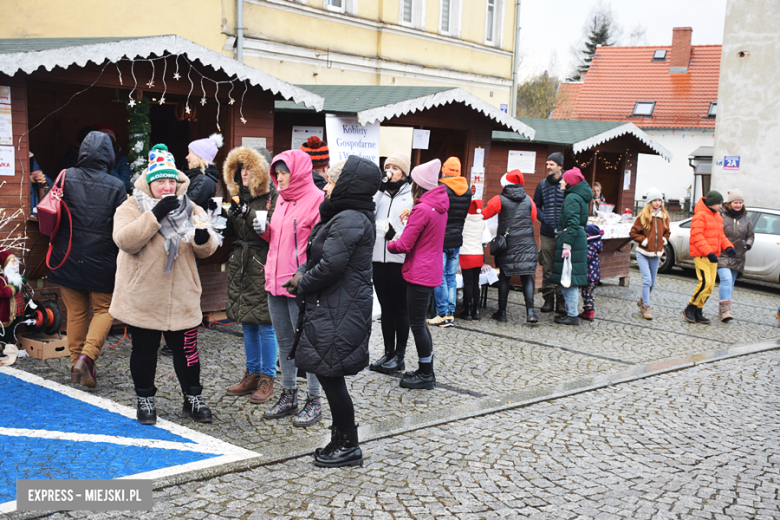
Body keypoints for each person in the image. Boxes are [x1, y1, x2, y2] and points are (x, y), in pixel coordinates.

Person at [110, 144, 220, 425]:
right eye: (161, 182)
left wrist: (201, 238)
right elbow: (125, 240)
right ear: (150, 183)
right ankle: (145, 399)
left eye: (172, 181)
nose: (168, 186)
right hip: (143, 295)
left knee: (187, 352)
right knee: (144, 351)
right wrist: (155, 214)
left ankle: (192, 398)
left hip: (182, 295)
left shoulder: (191, 207)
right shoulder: (131, 206)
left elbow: (207, 249)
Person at [284, 155, 380, 468]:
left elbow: (330, 265)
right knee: (328, 373)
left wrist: (301, 282)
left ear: (347, 184)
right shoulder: (345, 215)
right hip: (334, 304)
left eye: (332, 181)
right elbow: (322, 258)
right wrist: (301, 274)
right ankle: (341, 439)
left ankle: (349, 445)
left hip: (340, 307)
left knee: (330, 375)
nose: (326, 187)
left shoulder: (350, 217)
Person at [47, 131, 127, 388]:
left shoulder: (65, 176)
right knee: (104, 310)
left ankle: (75, 365)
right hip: (102, 259)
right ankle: (87, 357)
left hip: (66, 255)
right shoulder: (117, 186)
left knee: (76, 312)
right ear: (109, 155)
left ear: (82, 152)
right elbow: (122, 226)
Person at [255, 149, 324, 427]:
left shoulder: (317, 200)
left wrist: (304, 277)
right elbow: (278, 238)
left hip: (299, 285)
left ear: (297, 173)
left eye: (283, 173)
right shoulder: (279, 200)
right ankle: (289, 395)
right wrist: (263, 229)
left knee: (307, 345)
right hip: (274, 280)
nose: (279, 178)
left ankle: (314, 399)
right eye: (277, 173)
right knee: (284, 343)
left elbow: (318, 246)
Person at [222, 146, 279, 403]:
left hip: (262, 262)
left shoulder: (273, 196)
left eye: (249, 168)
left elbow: (276, 231)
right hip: (241, 264)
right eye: (240, 168)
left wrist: (254, 217)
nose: (244, 173)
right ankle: (252, 373)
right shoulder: (238, 196)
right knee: (247, 323)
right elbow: (234, 231)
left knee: (266, 324)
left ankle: (268, 378)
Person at [387, 159, 449, 390]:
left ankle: (426, 375)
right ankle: (425, 369)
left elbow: (404, 244)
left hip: (419, 273)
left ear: (418, 184)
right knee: (420, 324)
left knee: (417, 325)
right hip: (430, 269)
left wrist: (390, 243)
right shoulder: (438, 205)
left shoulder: (422, 209)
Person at [369, 152, 413, 374]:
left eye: (395, 168)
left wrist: (394, 234)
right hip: (379, 259)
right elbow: (369, 214)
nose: (391, 171)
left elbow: (412, 229)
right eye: (388, 167)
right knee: (386, 308)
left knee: (400, 309)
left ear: (404, 172)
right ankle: (387, 352)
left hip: (399, 260)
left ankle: (400, 355)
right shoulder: (380, 194)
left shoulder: (410, 196)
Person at [481, 170, 539, 323]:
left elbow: (484, 215)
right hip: (527, 245)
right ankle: (531, 313)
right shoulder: (528, 200)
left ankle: (502, 313)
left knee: (505, 277)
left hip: (508, 245)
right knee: (527, 277)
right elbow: (533, 218)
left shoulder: (499, 199)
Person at [428, 157, 471, 328]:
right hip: (457, 239)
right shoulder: (467, 191)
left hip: (441, 239)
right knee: (451, 277)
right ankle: (450, 313)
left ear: (444, 171)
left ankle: (443, 314)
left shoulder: (441, 189)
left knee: (440, 278)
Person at [682, 190, 737, 324]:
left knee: (710, 286)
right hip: (702, 255)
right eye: (719, 203)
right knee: (705, 282)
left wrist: (729, 247)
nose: (721, 206)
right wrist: (708, 252)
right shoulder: (700, 216)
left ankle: (698, 310)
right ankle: (690, 307)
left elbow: (721, 236)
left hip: (713, 255)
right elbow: (697, 236)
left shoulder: (717, 216)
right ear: (712, 203)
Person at [550, 167, 591, 326]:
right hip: (577, 240)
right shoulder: (578, 197)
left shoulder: (572, 198)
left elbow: (573, 224)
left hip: (572, 242)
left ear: (570, 182)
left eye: (563, 179)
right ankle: (570, 312)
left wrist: (566, 244)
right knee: (568, 278)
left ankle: (572, 315)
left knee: (569, 279)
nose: (561, 181)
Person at [629, 188, 671, 320]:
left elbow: (667, 232)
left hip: (657, 253)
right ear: (650, 202)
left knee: (652, 283)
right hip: (643, 252)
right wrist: (645, 241)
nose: (657, 203)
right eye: (655, 200)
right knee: (647, 280)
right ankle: (646, 307)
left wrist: (664, 240)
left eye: (659, 200)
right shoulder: (643, 217)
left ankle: (642, 300)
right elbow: (633, 233)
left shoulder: (664, 217)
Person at [533, 152, 566, 314]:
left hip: (564, 233)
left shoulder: (568, 183)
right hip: (546, 232)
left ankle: (561, 300)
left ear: (560, 166)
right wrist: (543, 217)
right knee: (547, 267)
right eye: (547, 164)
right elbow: (536, 205)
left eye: (551, 164)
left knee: (562, 267)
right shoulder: (542, 185)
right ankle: (548, 298)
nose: (548, 167)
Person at [717, 189, 754, 322]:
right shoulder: (721, 215)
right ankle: (726, 310)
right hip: (722, 254)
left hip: (738, 255)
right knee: (726, 279)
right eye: (735, 202)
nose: (738, 205)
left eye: (740, 202)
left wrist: (747, 245)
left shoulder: (747, 219)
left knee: (730, 283)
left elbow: (750, 235)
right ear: (729, 203)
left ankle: (722, 308)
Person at [458, 199, 485, 321]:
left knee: (467, 283)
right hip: (478, 254)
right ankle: (476, 310)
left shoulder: (463, 221)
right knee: (476, 283)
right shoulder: (482, 221)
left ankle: (467, 310)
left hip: (466, 254)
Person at [185, 134, 223, 210]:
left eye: (190, 153)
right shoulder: (200, 177)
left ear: (199, 156)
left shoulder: (203, 180)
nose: (186, 157)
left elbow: (186, 208)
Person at [94, 124, 132, 193]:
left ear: (113, 142)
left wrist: (109, 168)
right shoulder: (92, 158)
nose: (105, 142)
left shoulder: (122, 160)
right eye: (102, 139)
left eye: (108, 139)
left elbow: (126, 185)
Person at [580, 225, 604, 321]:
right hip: (593, 274)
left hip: (590, 275)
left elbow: (586, 257)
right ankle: (587, 310)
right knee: (586, 293)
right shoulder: (595, 244)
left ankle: (590, 312)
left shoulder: (591, 245)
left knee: (588, 294)